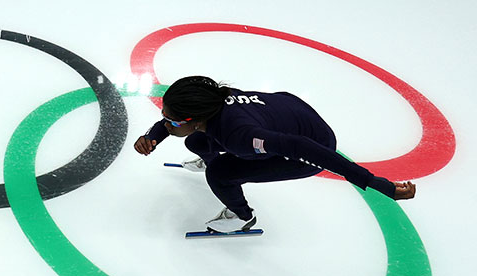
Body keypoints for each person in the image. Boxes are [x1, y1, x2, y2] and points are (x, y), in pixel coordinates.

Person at [133, 75, 417, 233]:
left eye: (168, 120)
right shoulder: (212, 101)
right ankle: (213, 156)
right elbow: (181, 123)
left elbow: (304, 149)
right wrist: (153, 136)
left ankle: (242, 217)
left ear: (195, 119)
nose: (163, 122)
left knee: (219, 173)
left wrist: (378, 183)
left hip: (307, 144)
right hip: (285, 112)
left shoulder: (242, 136)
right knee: (196, 142)